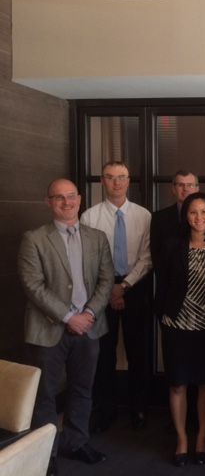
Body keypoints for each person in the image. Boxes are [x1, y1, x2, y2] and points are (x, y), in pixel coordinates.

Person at [17, 179, 114, 475]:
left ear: (80, 199)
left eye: (71, 196)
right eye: (58, 198)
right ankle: (46, 455)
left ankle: (76, 442)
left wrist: (88, 314)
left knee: (83, 390)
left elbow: (106, 280)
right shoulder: (33, 239)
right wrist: (69, 317)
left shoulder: (97, 238)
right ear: (48, 202)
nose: (66, 202)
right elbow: (33, 286)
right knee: (45, 395)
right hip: (49, 330)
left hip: (89, 327)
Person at [80, 161, 153, 431]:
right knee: (104, 353)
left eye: (121, 177)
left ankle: (139, 408)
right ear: (103, 181)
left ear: (129, 179)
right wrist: (110, 287)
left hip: (136, 287)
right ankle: (105, 408)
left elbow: (147, 257)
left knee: (139, 352)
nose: (117, 183)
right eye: (111, 178)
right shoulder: (89, 217)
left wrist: (124, 286)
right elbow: (89, 259)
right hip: (101, 290)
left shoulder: (144, 215)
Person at [154, 192, 205, 467]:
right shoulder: (172, 246)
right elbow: (163, 282)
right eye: (193, 212)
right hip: (177, 324)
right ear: (186, 216)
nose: (199, 217)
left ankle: (202, 437)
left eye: (204, 212)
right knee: (177, 383)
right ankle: (182, 439)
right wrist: (163, 314)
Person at [150, 170, 199, 269]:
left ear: (197, 188)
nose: (185, 189)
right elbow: (156, 256)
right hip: (170, 280)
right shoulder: (158, 218)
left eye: (190, 185)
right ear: (173, 189)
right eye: (181, 185)